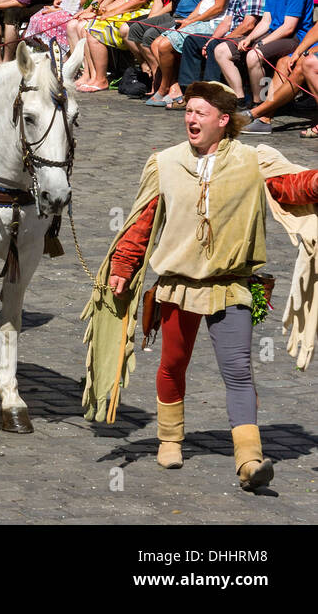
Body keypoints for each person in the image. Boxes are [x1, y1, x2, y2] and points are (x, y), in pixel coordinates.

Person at [92, 81, 274, 490]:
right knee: (173, 364)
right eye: (188, 111)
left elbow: (294, 186)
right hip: (176, 285)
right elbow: (143, 220)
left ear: (222, 121)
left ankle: (249, 459)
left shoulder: (254, 160)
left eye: (199, 113)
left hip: (231, 285)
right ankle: (170, 439)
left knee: (239, 371)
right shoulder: (166, 162)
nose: (190, 119)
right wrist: (123, 263)